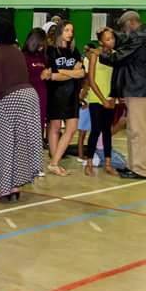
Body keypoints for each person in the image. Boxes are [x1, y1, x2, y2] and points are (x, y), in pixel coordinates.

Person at [0, 17, 43, 201]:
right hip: (30, 97)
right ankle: (15, 186)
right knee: (20, 145)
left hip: (9, 100)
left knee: (5, 145)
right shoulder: (17, 52)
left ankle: (1, 189)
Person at [99, 10, 146, 179]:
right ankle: (134, 166)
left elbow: (118, 57)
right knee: (134, 129)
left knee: (138, 131)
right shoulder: (145, 34)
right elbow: (125, 40)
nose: (123, 32)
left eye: (124, 28)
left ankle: (141, 169)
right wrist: (110, 34)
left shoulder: (141, 38)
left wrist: (102, 53)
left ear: (132, 23)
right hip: (139, 89)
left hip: (140, 90)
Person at [46, 20, 85, 176]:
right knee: (55, 128)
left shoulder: (74, 51)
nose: (70, 33)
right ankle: (55, 163)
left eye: (71, 31)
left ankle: (54, 162)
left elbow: (81, 73)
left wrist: (63, 71)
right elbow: (52, 76)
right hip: (56, 94)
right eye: (67, 30)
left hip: (72, 95)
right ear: (60, 31)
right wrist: (72, 73)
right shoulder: (51, 51)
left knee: (71, 128)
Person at [84, 28, 118, 177]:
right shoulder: (94, 55)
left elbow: (117, 79)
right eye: (107, 39)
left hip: (110, 99)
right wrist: (103, 99)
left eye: (112, 38)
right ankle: (89, 163)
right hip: (96, 99)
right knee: (96, 130)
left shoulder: (115, 56)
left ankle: (108, 164)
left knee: (107, 132)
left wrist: (113, 98)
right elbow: (91, 80)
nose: (111, 41)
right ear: (101, 41)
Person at [22, 28, 51, 137]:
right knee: (26, 133)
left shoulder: (43, 57)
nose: (42, 46)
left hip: (42, 99)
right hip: (28, 100)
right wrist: (40, 77)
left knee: (38, 132)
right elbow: (21, 81)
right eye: (40, 43)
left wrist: (48, 75)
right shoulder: (23, 57)